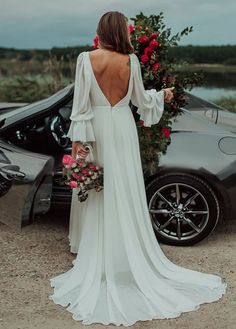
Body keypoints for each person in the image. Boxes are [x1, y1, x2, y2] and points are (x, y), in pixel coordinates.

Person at [49, 11, 227, 327]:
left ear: (102, 31)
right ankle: (123, 252)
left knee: (95, 187)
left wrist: (80, 144)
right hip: (123, 129)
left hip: (97, 131)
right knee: (123, 188)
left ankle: (97, 253)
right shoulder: (131, 61)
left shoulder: (85, 59)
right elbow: (142, 102)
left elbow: (81, 108)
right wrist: (163, 95)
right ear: (123, 32)